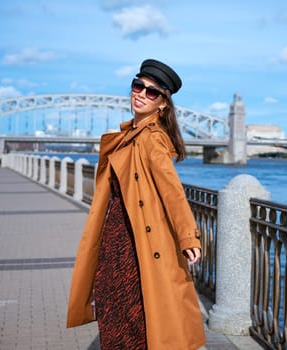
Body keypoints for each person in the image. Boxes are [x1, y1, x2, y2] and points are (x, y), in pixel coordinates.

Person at [66, 59, 206, 350]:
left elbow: (173, 192)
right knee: (113, 309)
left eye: (152, 92)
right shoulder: (129, 135)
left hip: (137, 242)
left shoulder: (151, 139)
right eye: (137, 85)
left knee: (129, 316)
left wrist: (188, 236)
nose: (141, 93)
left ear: (163, 104)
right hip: (117, 237)